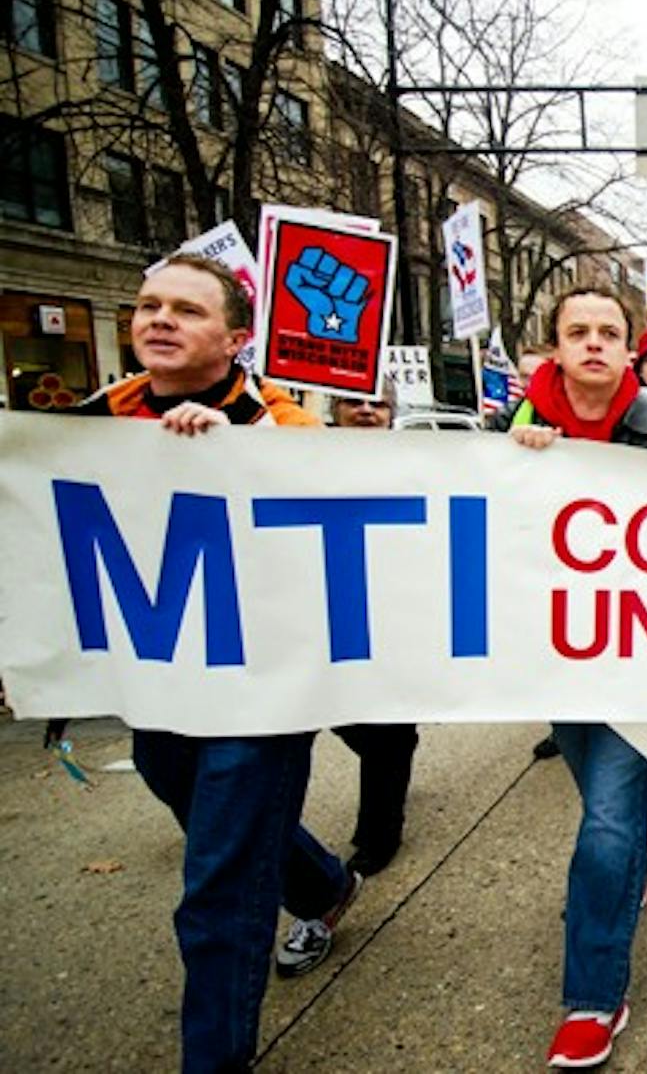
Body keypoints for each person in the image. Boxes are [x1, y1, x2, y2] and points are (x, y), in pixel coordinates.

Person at [70, 254, 360, 1073]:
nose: (160, 319)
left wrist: (237, 459)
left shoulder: (289, 429)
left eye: (187, 311)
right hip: (159, 682)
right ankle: (319, 885)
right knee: (187, 795)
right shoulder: (90, 422)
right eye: (148, 305)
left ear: (236, 338)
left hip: (263, 687)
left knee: (218, 892)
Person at [494, 285, 647, 1069]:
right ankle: (633, 858)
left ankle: (591, 996)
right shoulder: (509, 427)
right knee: (595, 788)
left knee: (607, 820)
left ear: (627, 347)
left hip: (641, 653)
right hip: (555, 653)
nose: (592, 343)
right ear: (554, 346)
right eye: (576, 330)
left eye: (608, 332)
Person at [328, 384, 420, 876]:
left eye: (378, 404)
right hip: (322, 617)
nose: (366, 411)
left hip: (394, 615)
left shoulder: (415, 462)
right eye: (353, 402)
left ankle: (379, 835)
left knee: (388, 732)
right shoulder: (292, 455)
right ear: (333, 409)